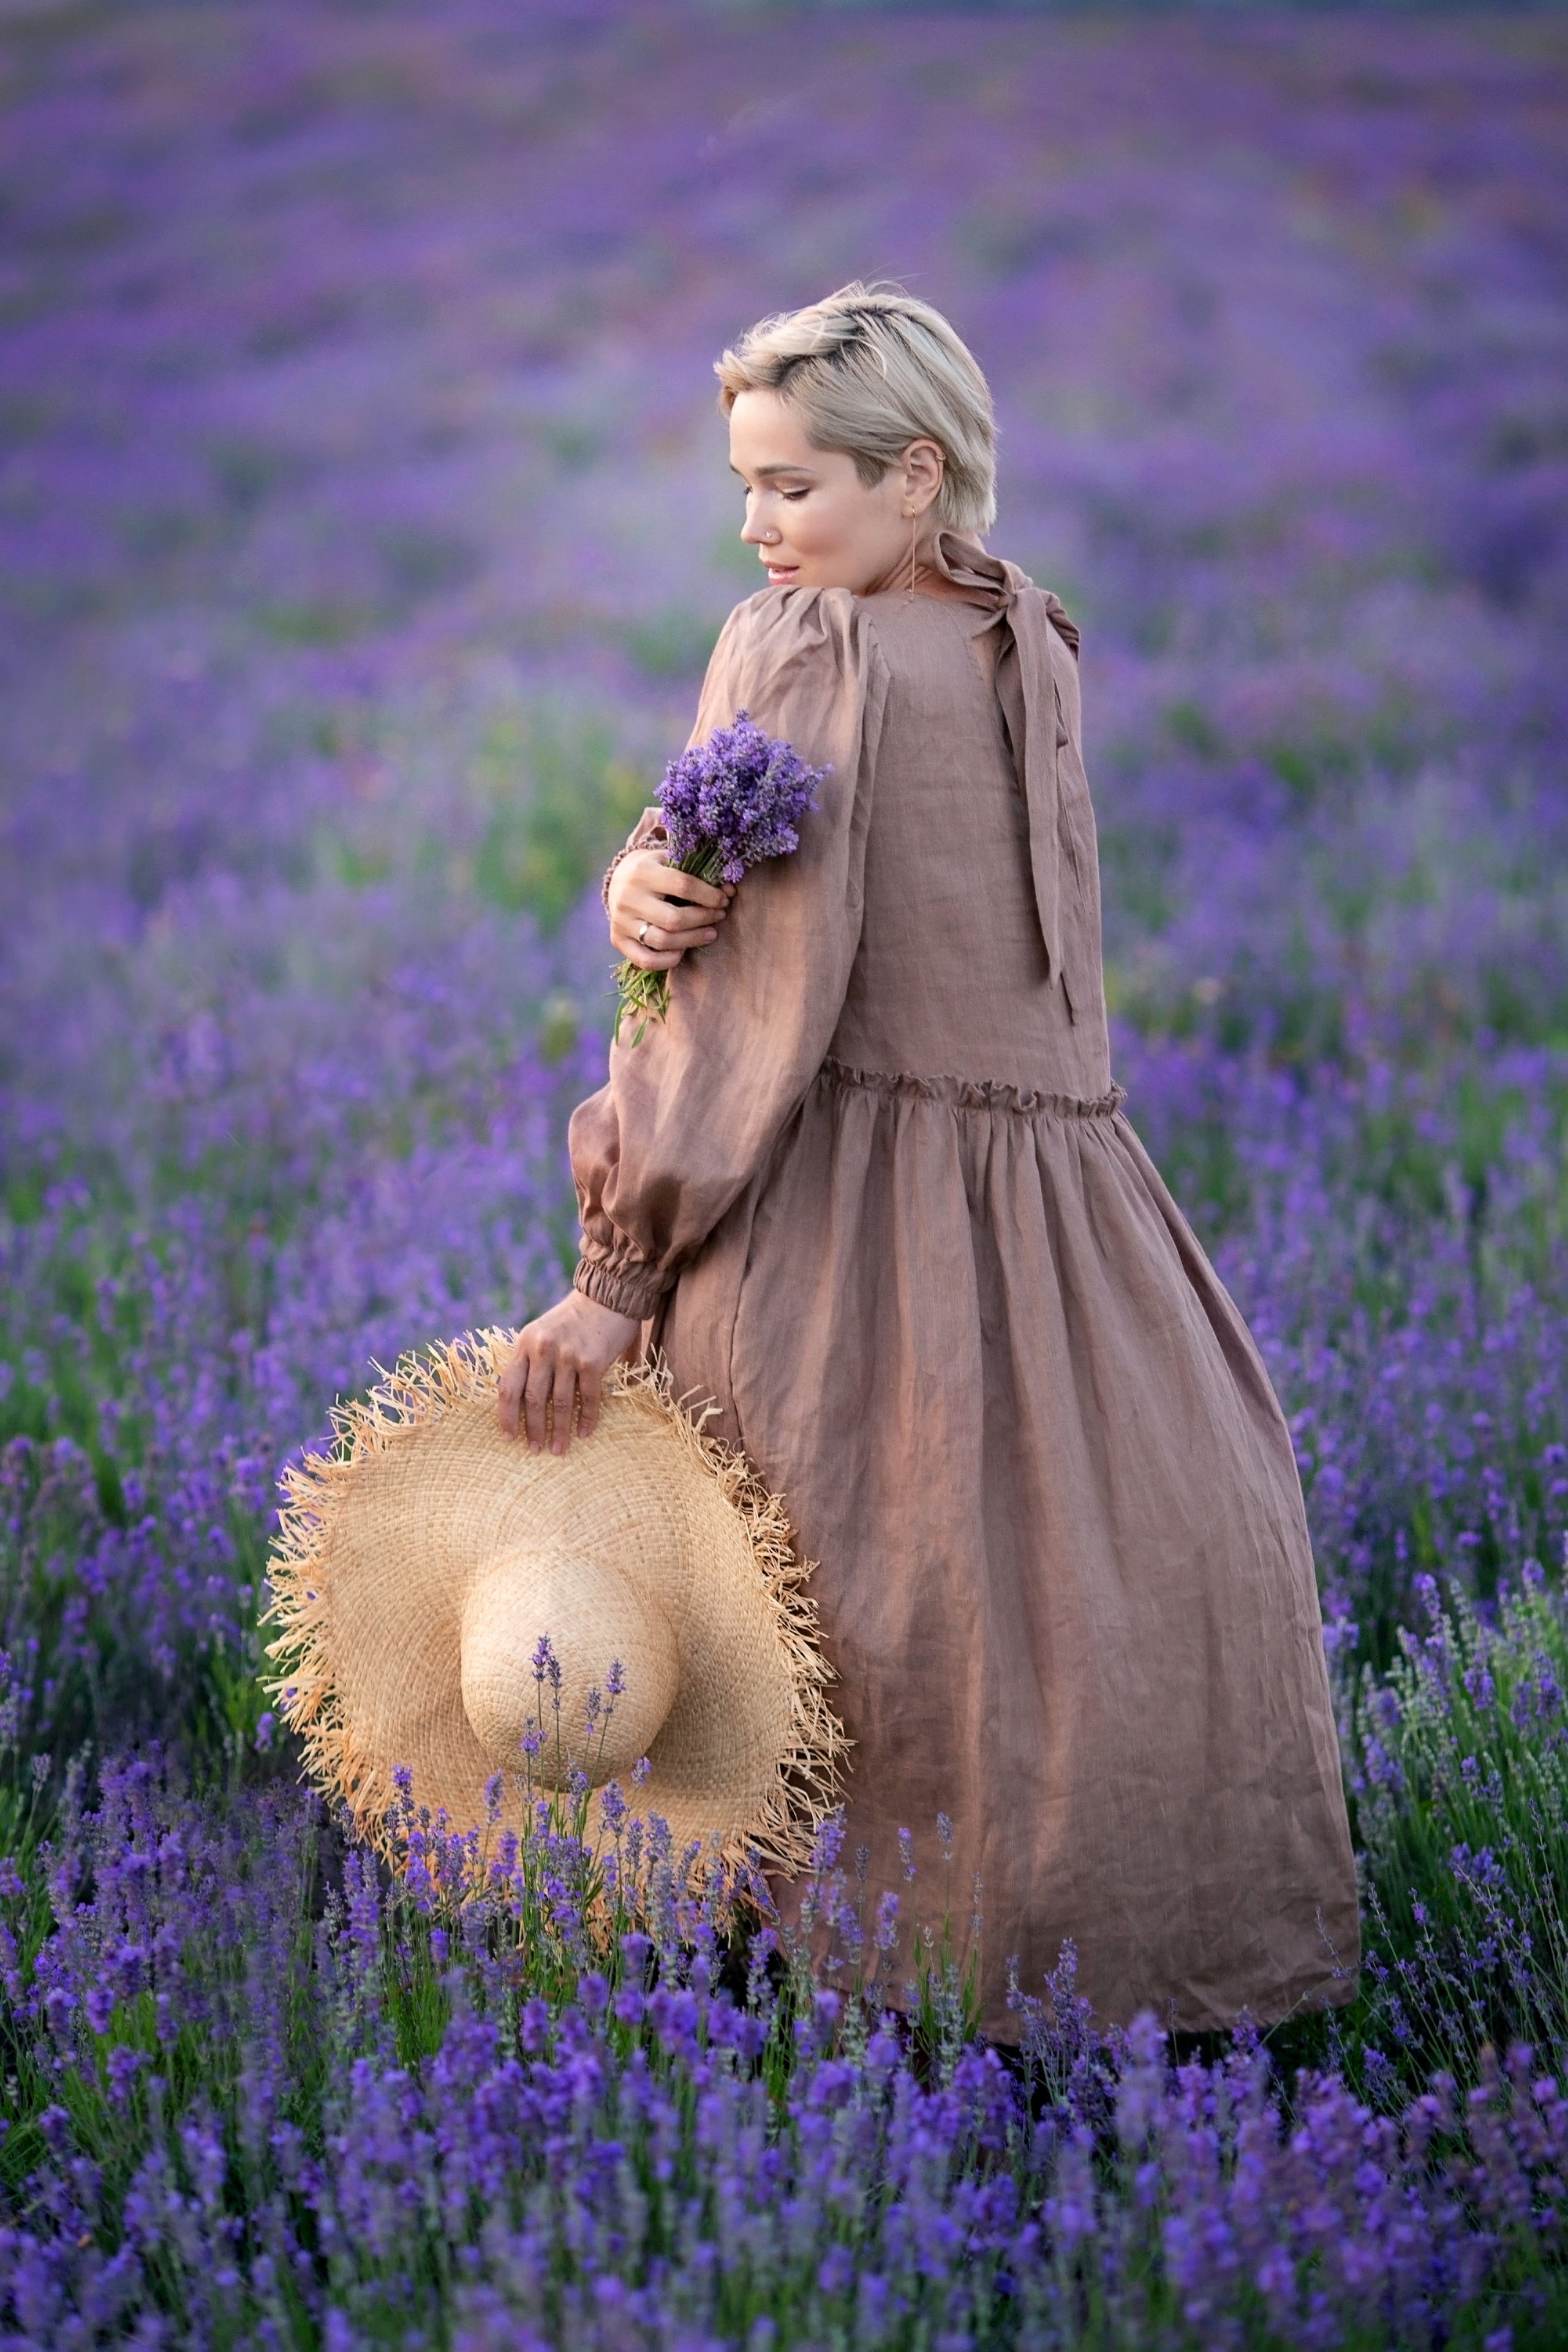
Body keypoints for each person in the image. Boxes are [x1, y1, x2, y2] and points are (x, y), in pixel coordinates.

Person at [497, 284, 1358, 2036]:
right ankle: (1092, 1984)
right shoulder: (1025, 632)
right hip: (1068, 1220)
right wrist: (644, 876)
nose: (756, 527)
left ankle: (826, 2020)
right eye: (745, 485)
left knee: (827, 1618)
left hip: (835, 1223)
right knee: (1080, 1585)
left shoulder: (801, 650)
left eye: (792, 485)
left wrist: (617, 1276)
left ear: (915, 477)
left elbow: (747, 1011)